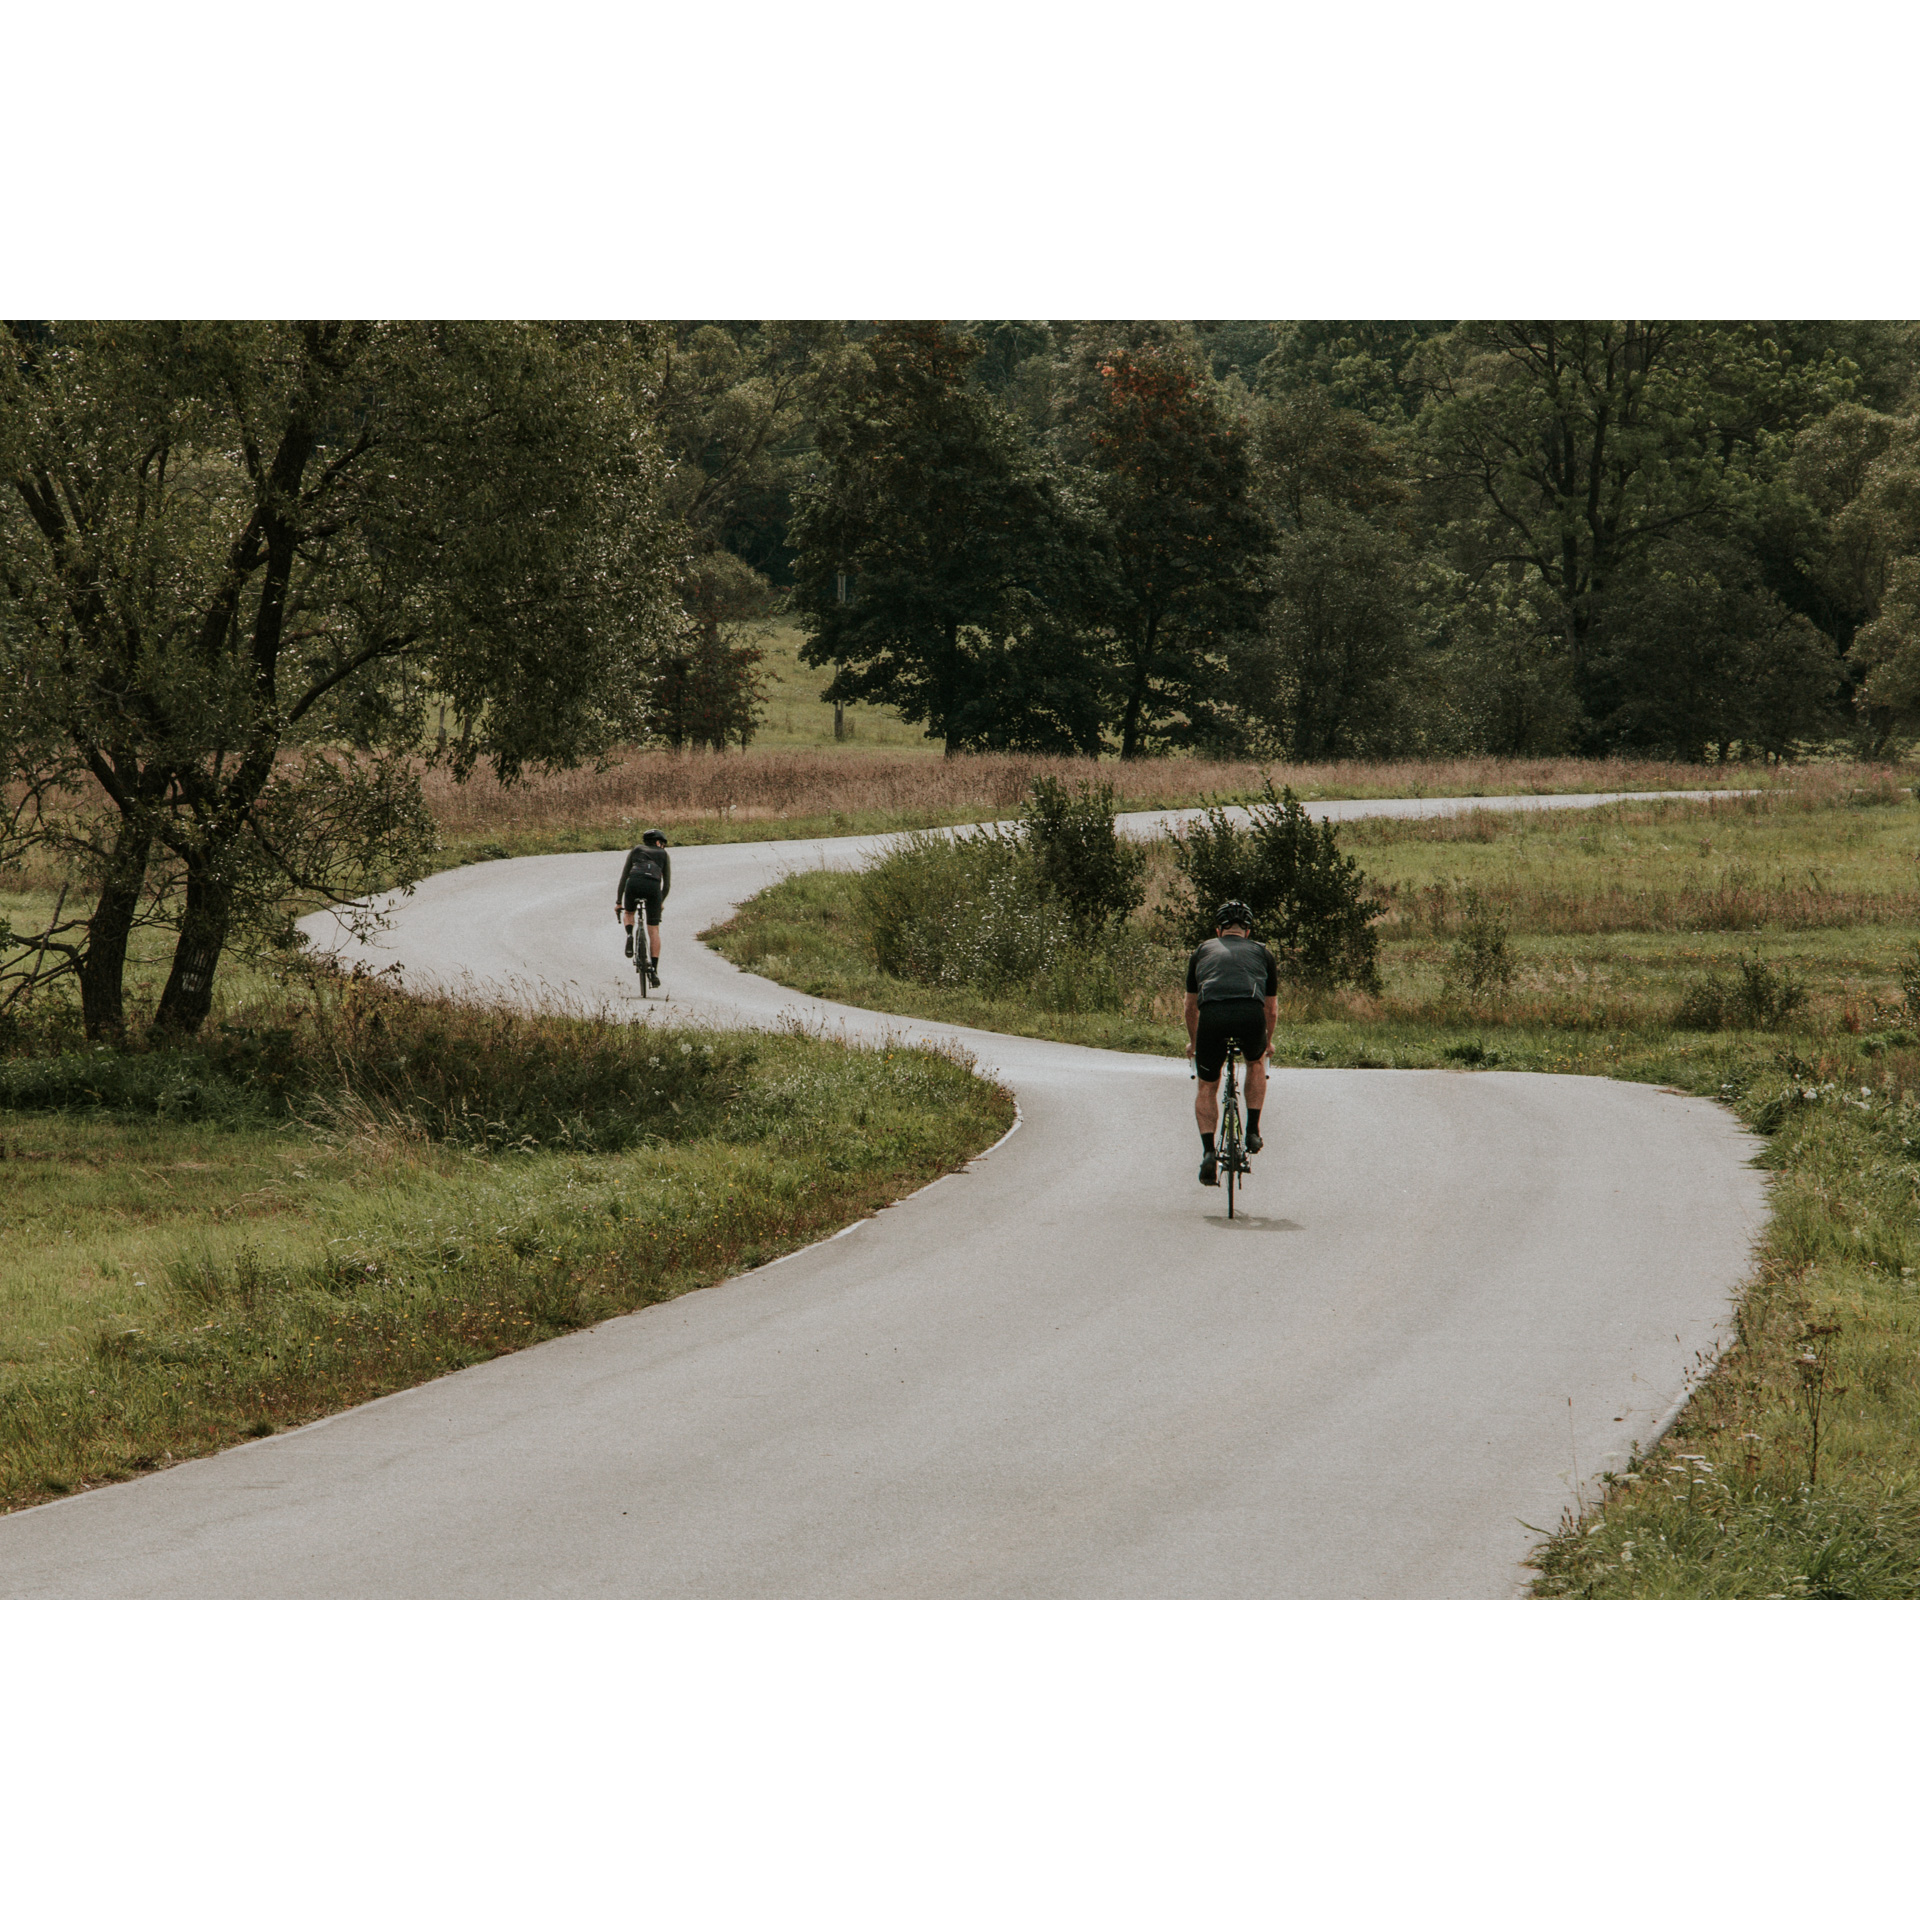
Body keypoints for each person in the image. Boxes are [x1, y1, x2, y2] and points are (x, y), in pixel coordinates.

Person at [1184, 900, 1278, 1187]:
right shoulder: (1263, 953)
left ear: (1218, 930)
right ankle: (1252, 1130)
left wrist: (1193, 1043)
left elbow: (1190, 1007)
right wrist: (1267, 1044)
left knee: (1207, 1085)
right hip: (1250, 1015)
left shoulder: (1202, 951)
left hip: (1213, 1016)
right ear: (1247, 931)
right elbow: (1271, 1010)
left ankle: (1209, 1153)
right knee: (1255, 1063)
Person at [615, 830, 672, 986]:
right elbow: (666, 885)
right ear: (659, 843)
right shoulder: (663, 855)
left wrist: (619, 902)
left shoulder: (636, 850)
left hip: (634, 883)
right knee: (653, 930)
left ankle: (629, 935)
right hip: (653, 887)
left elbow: (624, 877)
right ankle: (653, 969)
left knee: (629, 912)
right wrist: (660, 901)